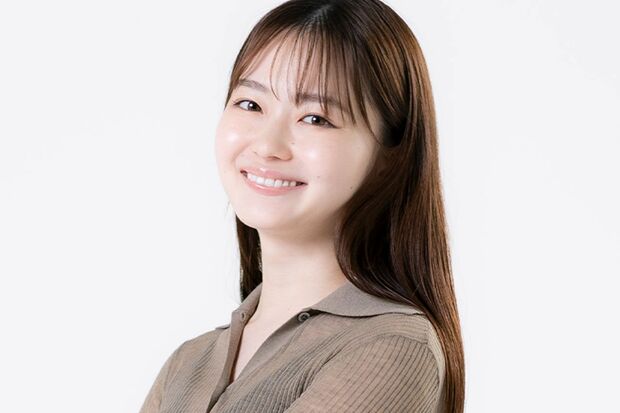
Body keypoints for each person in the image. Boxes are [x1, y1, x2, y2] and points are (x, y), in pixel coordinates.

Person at [139, 0, 464, 412]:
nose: (267, 145)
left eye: (315, 118)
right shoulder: (188, 363)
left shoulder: (392, 346)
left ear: (388, 155)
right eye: (250, 104)